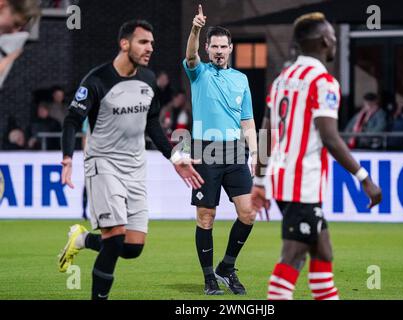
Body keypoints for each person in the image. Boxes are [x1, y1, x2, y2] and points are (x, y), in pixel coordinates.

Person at [57, 19, 204, 300]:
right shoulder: (97, 80)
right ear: (125, 44)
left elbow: (153, 125)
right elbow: (72, 120)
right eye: (143, 42)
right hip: (103, 164)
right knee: (114, 241)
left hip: (135, 168)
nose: (150, 48)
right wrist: (67, 158)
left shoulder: (148, 80)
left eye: (151, 43)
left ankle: (82, 239)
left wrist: (175, 156)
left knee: (133, 247)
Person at [251, 12, 382, 300]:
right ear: (325, 41)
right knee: (292, 257)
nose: (335, 41)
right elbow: (330, 137)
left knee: (323, 252)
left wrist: (260, 181)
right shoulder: (323, 82)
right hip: (303, 186)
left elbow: (265, 133)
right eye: (333, 36)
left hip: (284, 181)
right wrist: (364, 178)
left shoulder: (282, 79)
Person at [184, 5, 257, 295]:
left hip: (236, 152)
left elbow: (248, 121)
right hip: (205, 151)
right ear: (207, 47)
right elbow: (190, 54)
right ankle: (208, 277)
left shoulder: (241, 79)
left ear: (230, 49)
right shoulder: (198, 72)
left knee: (248, 213)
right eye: (213, 46)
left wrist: (257, 155)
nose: (218, 50)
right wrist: (195, 28)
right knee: (206, 216)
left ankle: (226, 266)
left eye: (223, 46)